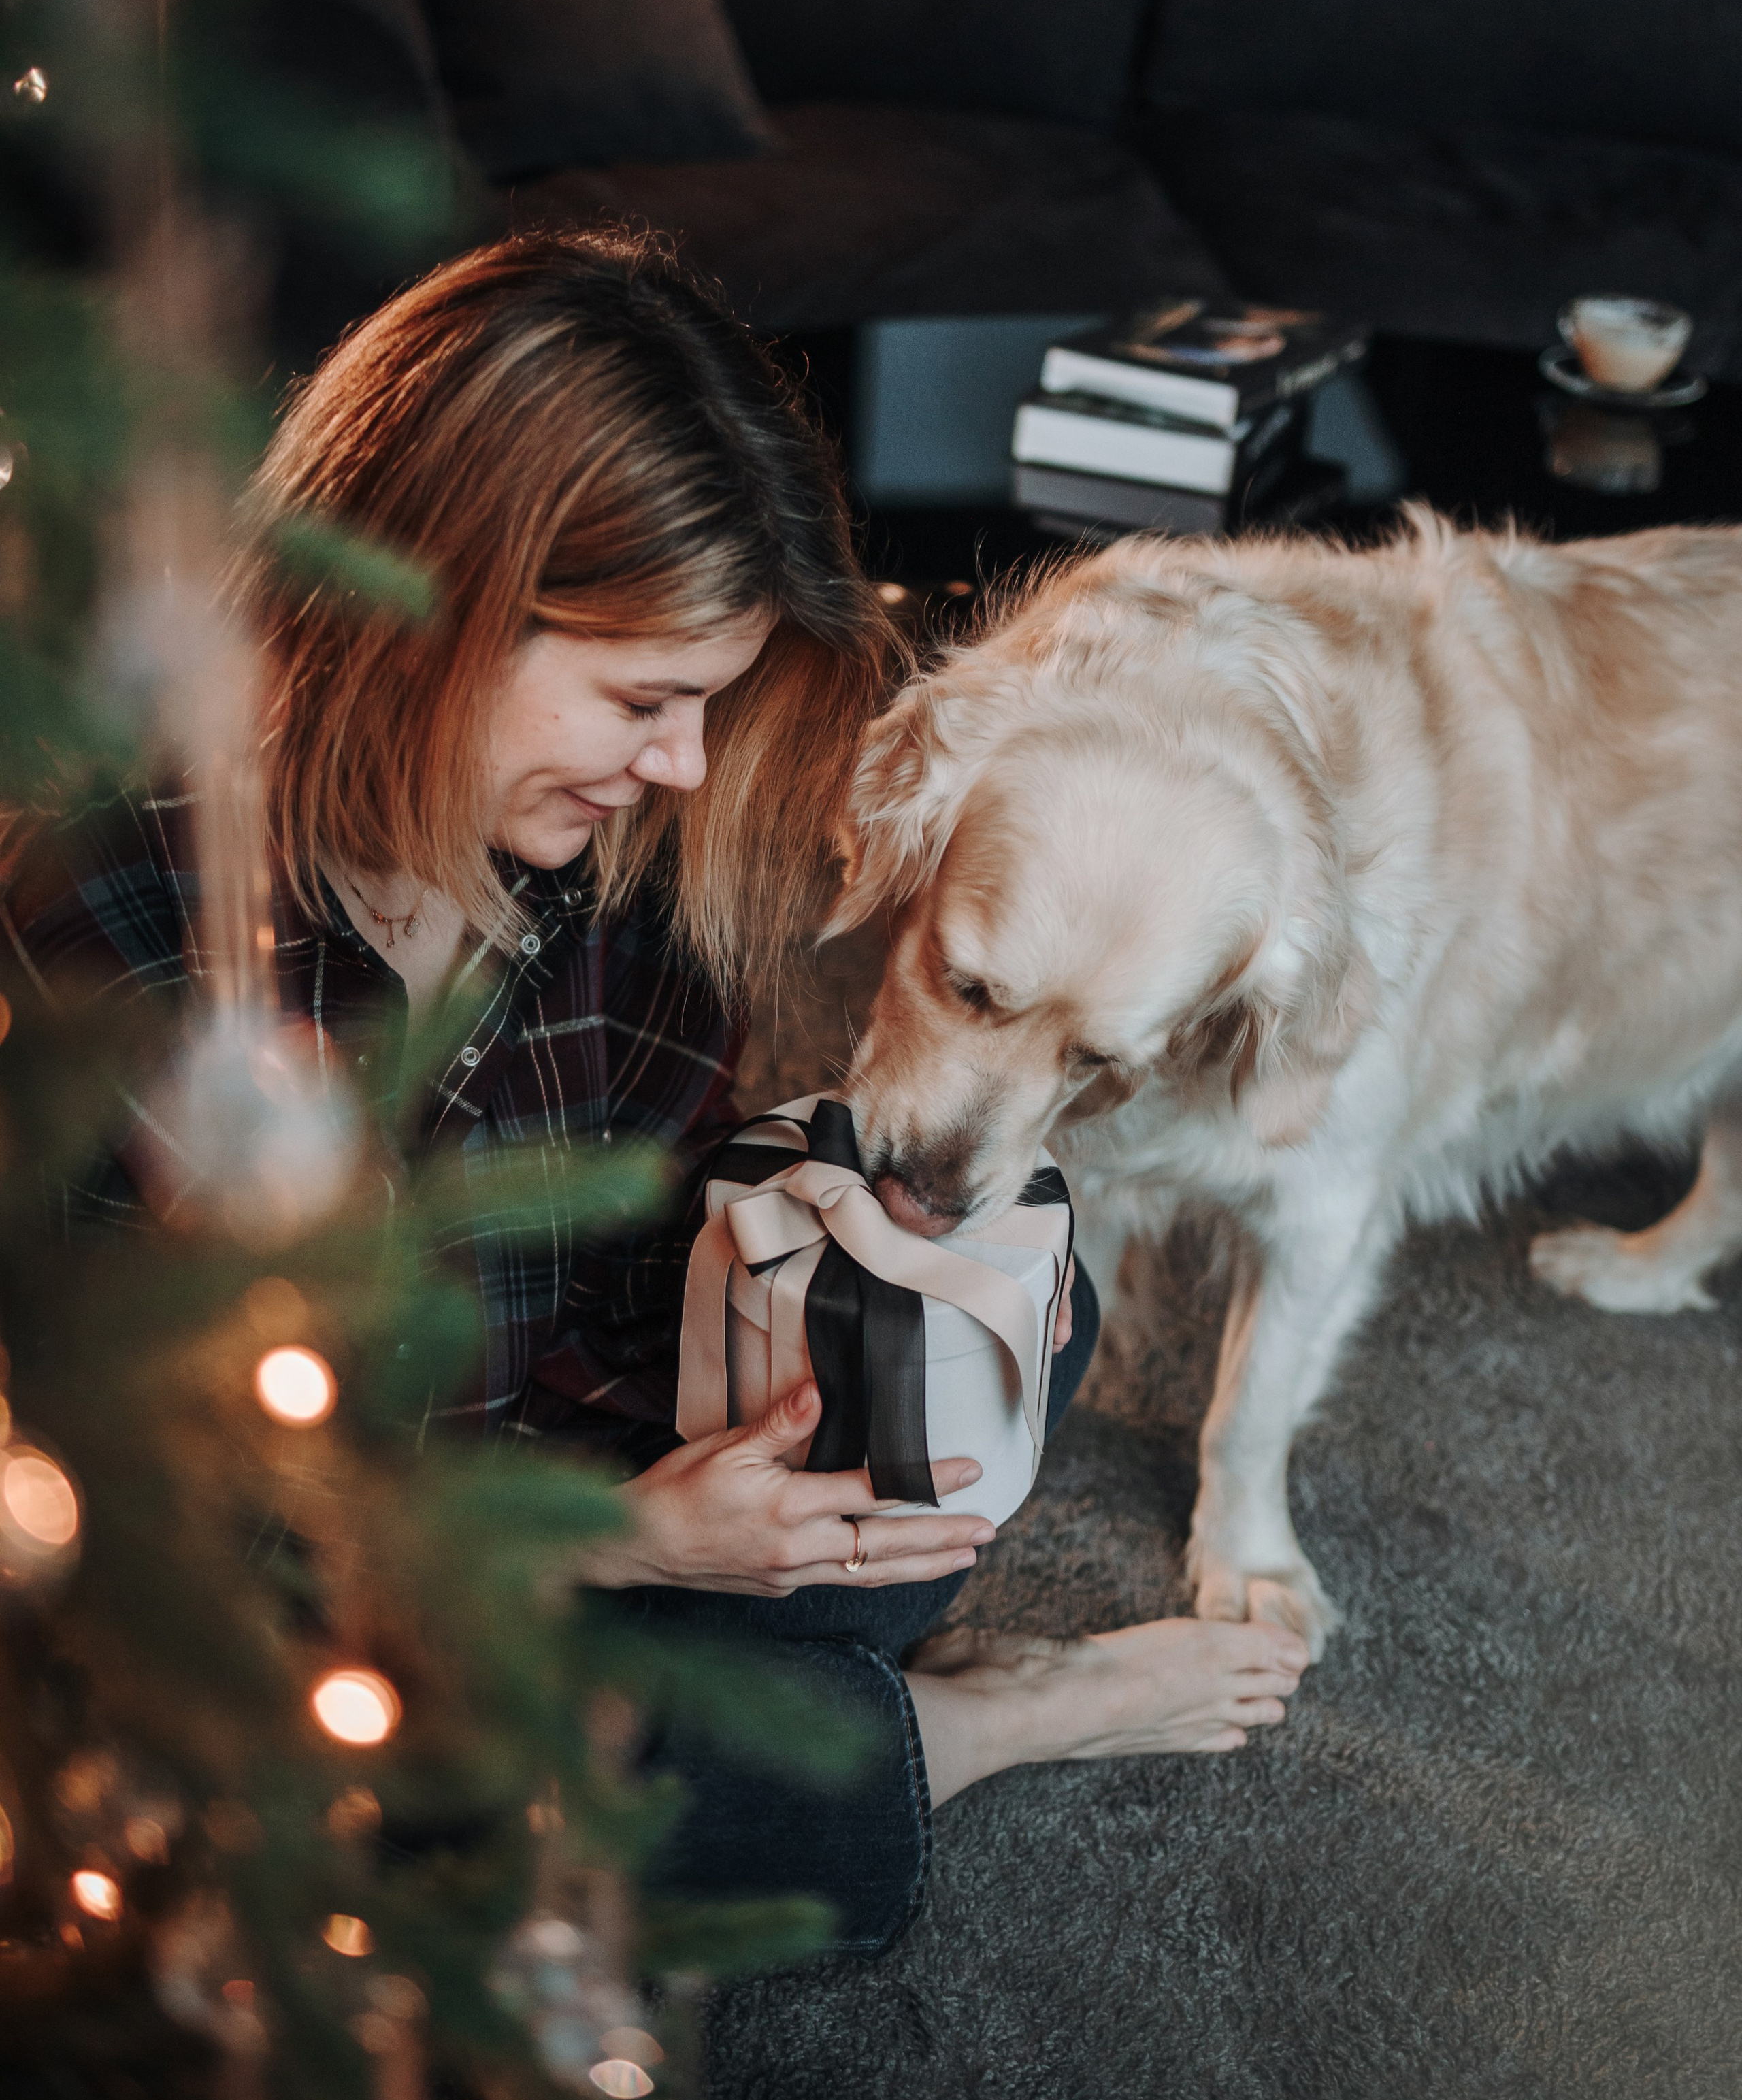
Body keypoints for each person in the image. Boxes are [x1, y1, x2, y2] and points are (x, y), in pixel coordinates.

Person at [4, 228, 1305, 1952]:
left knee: (987, 1333)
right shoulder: (116, 928)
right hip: (279, 1603)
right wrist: (620, 1544)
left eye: (707, 702)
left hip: (536, 1442)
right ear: (432, 602)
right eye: (643, 698)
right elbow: (167, 1549)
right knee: (343, 1814)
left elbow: (634, 1220)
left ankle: (796, 1696)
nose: (683, 761)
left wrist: (803, 1261)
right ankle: (965, 1726)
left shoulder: (594, 846)